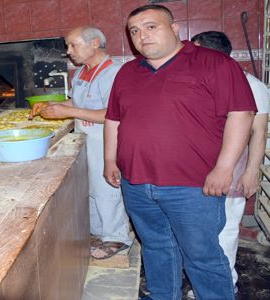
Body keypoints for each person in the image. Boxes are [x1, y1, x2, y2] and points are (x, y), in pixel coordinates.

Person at [103, 5, 257, 300]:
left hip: (193, 186)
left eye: (151, 27)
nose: (142, 36)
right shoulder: (127, 72)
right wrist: (110, 159)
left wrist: (224, 168)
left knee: (202, 256)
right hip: (136, 183)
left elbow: (242, 113)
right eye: (134, 31)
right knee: (156, 249)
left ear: (175, 29)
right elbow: (114, 118)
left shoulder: (213, 63)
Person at [30, 26, 133, 259]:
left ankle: (117, 237)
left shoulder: (113, 73)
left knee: (108, 189)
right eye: (68, 46)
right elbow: (76, 101)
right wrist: (50, 107)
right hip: (86, 139)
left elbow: (113, 114)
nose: (68, 51)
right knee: (90, 189)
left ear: (95, 43)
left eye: (73, 45)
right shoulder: (83, 72)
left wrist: (69, 112)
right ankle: (99, 233)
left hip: (107, 141)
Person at [188, 31, 270, 298]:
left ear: (208, 53)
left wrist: (251, 172)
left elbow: (259, 133)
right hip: (197, 170)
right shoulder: (200, 81)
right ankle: (206, 282)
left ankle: (225, 285)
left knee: (225, 230)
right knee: (201, 232)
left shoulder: (251, 85)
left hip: (232, 170)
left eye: (195, 50)